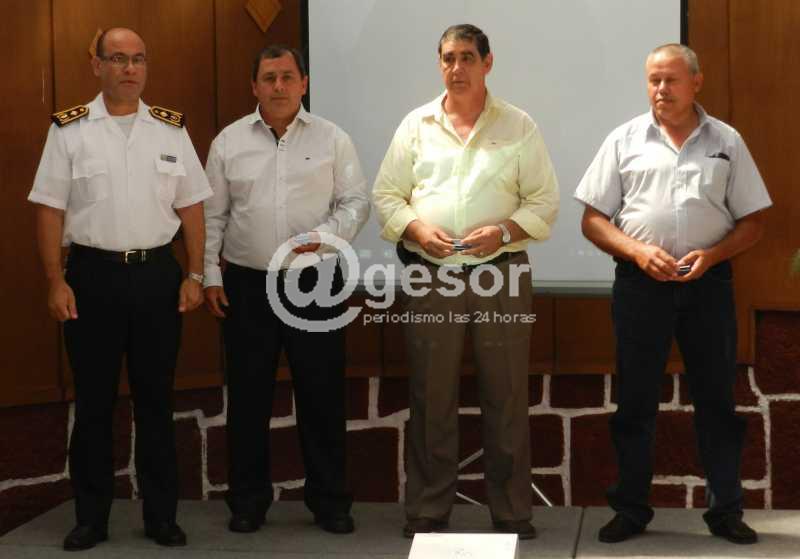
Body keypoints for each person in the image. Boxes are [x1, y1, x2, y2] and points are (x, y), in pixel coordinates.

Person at [575, 43, 771, 545]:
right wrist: (638, 251)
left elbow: (753, 222)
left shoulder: (726, 141)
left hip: (709, 286)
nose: (660, 89)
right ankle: (631, 509)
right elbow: (593, 220)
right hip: (641, 286)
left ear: (696, 82)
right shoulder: (624, 139)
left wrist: (714, 255)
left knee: (717, 401)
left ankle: (725, 511)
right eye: (653, 80)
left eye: (671, 80)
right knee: (635, 401)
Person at [372, 24, 559, 539]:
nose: (457, 68)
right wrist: (416, 229)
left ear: (487, 63)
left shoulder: (518, 125)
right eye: (449, 58)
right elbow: (387, 195)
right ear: (440, 64)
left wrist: (503, 231)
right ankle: (428, 509)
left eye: (468, 57)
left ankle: (512, 512)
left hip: (501, 273)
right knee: (431, 395)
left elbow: (544, 201)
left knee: (507, 395)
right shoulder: (416, 125)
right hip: (432, 275)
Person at [28, 27, 212, 550]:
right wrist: (55, 280)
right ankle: (91, 518)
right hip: (91, 279)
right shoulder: (70, 131)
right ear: (97, 65)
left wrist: (196, 274)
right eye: (117, 59)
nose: (129, 68)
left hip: (157, 278)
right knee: (93, 403)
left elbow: (192, 208)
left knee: (156, 401)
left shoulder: (170, 130)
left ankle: (161, 516)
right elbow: (49, 210)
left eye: (138, 59)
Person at [203, 45, 369, 535]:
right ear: (254, 86)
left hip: (314, 283)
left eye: (287, 77)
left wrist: (322, 239)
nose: (278, 86)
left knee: (322, 395)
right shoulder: (228, 142)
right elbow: (212, 217)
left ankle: (330, 502)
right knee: (248, 398)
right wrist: (210, 275)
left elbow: (356, 203)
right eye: (269, 77)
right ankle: (248, 502)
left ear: (304, 83)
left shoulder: (333, 138)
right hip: (247, 285)